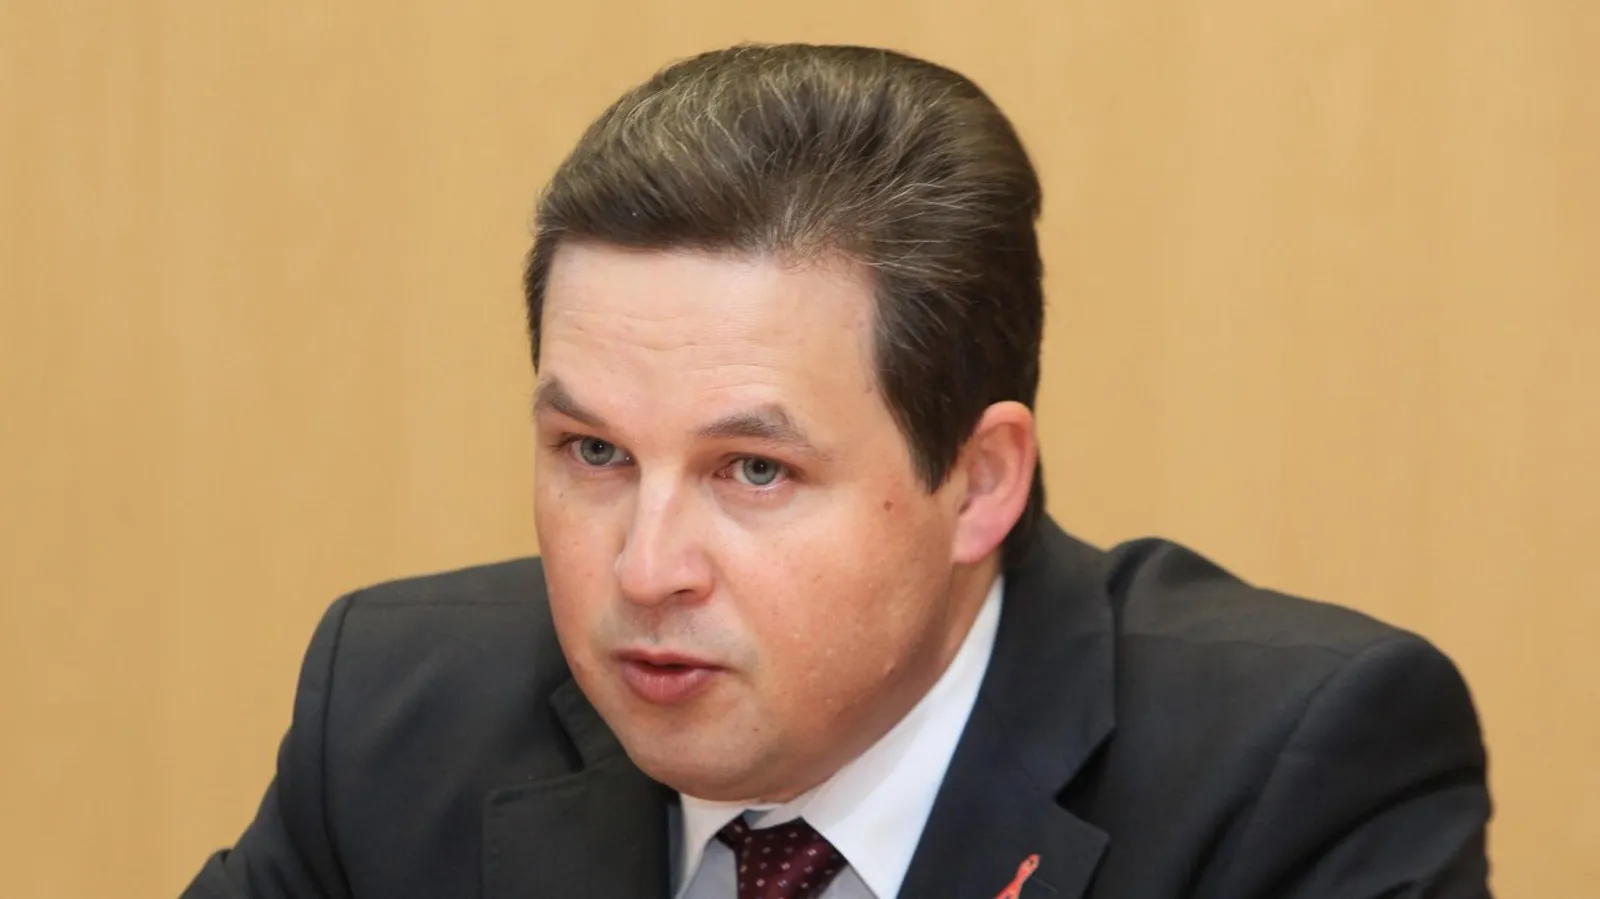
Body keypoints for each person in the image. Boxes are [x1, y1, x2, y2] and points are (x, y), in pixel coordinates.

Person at [183, 43, 1491, 899]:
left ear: (982, 481)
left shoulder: (1292, 776)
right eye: (595, 452)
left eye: (753, 470)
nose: (645, 569)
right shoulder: (398, 715)